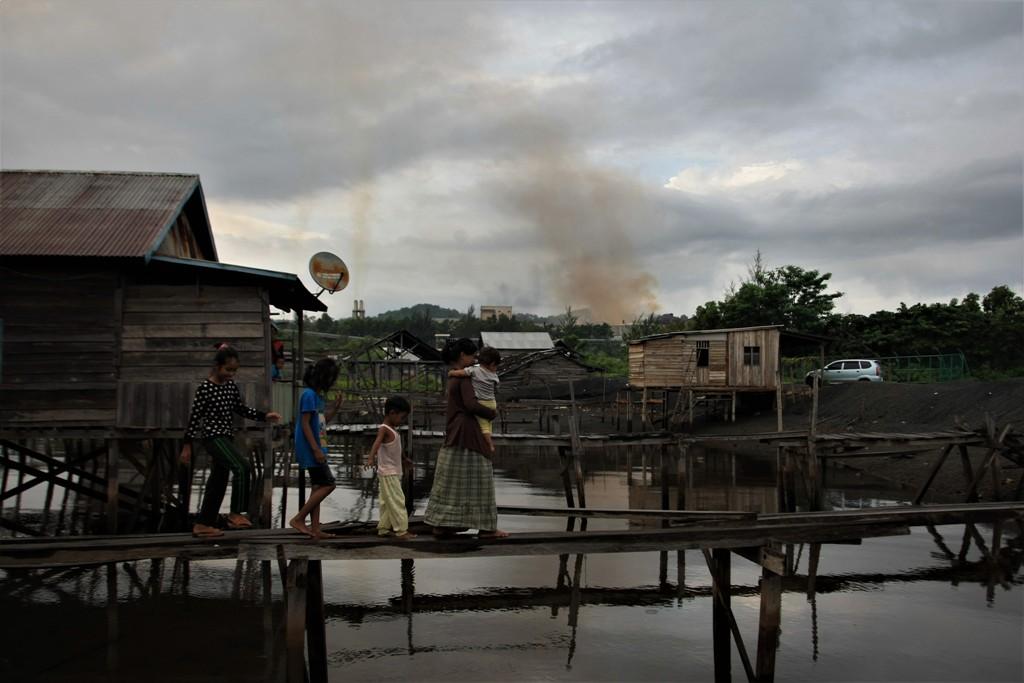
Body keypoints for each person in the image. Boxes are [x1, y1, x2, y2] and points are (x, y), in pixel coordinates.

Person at [180, 344, 281, 538]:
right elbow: (194, 419)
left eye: (234, 371)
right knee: (242, 467)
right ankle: (235, 514)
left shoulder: (230, 387)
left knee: (218, 482)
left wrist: (264, 416)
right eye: (228, 370)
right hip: (212, 437)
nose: (231, 374)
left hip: (225, 436)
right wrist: (187, 446)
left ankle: (203, 524)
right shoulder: (205, 389)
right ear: (217, 366)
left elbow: (241, 409)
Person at [424, 338, 509, 539]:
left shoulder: (452, 377)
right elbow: (471, 405)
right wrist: (492, 414)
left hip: (455, 430)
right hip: (469, 431)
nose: (474, 360)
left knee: (451, 480)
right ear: (463, 355)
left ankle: (442, 523)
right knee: (482, 478)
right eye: (472, 356)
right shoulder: (464, 378)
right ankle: (487, 528)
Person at [289, 358, 345, 538]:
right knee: (329, 484)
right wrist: (315, 449)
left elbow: (321, 423)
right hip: (311, 448)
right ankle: (299, 519)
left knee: (318, 487)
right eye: (332, 378)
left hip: (318, 446)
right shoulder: (308, 395)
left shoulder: (318, 397)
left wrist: (335, 408)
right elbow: (304, 424)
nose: (333, 382)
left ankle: (315, 529)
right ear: (324, 377)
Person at [365, 395, 416, 540]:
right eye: (402, 417)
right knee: (398, 500)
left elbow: (396, 449)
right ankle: (401, 530)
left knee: (387, 501)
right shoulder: (384, 428)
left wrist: (405, 459)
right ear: (392, 413)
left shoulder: (392, 429)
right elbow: (376, 443)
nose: (403, 421)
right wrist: (370, 458)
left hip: (393, 472)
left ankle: (383, 528)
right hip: (388, 473)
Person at [448, 346, 501, 455]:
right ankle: (489, 441)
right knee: (489, 424)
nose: (473, 360)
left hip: (482, 402)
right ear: (492, 364)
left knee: (484, 427)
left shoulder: (474, 371)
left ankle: (490, 444)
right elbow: (496, 387)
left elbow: (471, 405)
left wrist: (451, 373)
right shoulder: (494, 375)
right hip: (492, 402)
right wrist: (493, 413)